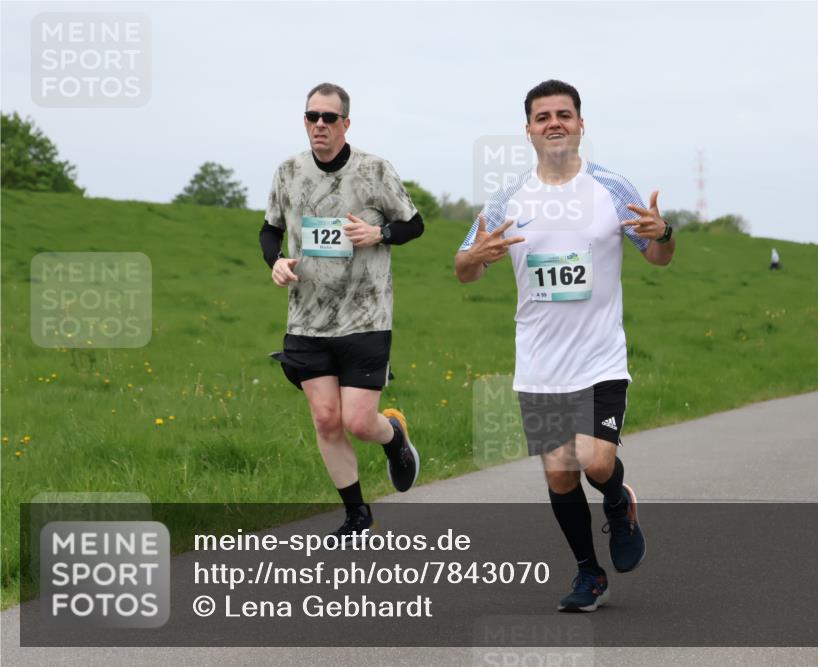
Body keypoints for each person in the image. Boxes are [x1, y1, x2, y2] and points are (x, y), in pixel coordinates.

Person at [454, 80, 676, 612]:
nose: (554, 123)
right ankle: (589, 574)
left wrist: (664, 234)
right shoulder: (508, 199)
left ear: (580, 124)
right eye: (543, 116)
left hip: (600, 357)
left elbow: (658, 256)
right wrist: (473, 257)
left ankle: (618, 502)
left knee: (595, 462)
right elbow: (465, 269)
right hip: (540, 363)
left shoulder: (610, 188)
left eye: (564, 114)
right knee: (559, 472)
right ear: (528, 130)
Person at [259, 82, 424, 537]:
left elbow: (414, 225)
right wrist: (276, 262)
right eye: (312, 116)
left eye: (329, 118)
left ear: (345, 124)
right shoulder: (288, 172)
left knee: (358, 421)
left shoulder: (374, 170)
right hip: (306, 319)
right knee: (326, 419)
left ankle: (393, 436)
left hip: (366, 316)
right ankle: (357, 515)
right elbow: (270, 230)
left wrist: (380, 234)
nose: (320, 124)